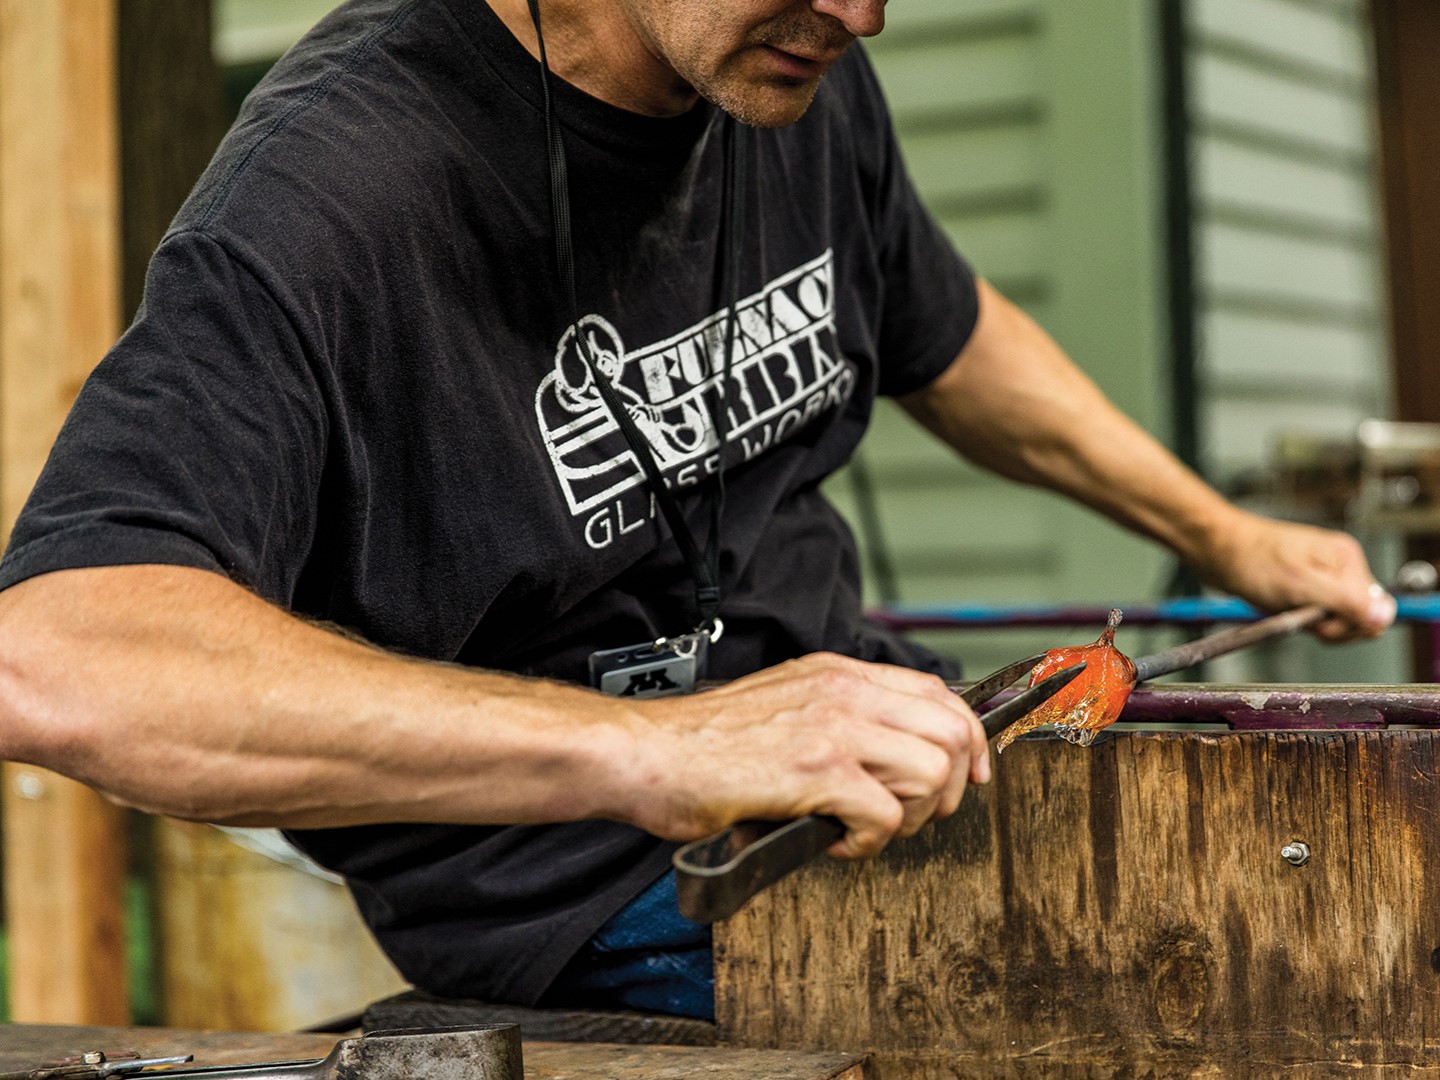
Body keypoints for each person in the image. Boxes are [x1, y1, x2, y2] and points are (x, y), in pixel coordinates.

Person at [0, 0, 1394, 1021]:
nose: (859, 15)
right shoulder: (334, 193)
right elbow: (59, 657)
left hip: (859, 775)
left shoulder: (786, 70)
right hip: (597, 895)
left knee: (1334, 913)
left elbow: (943, 330)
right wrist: (655, 750)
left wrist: (1225, 534)